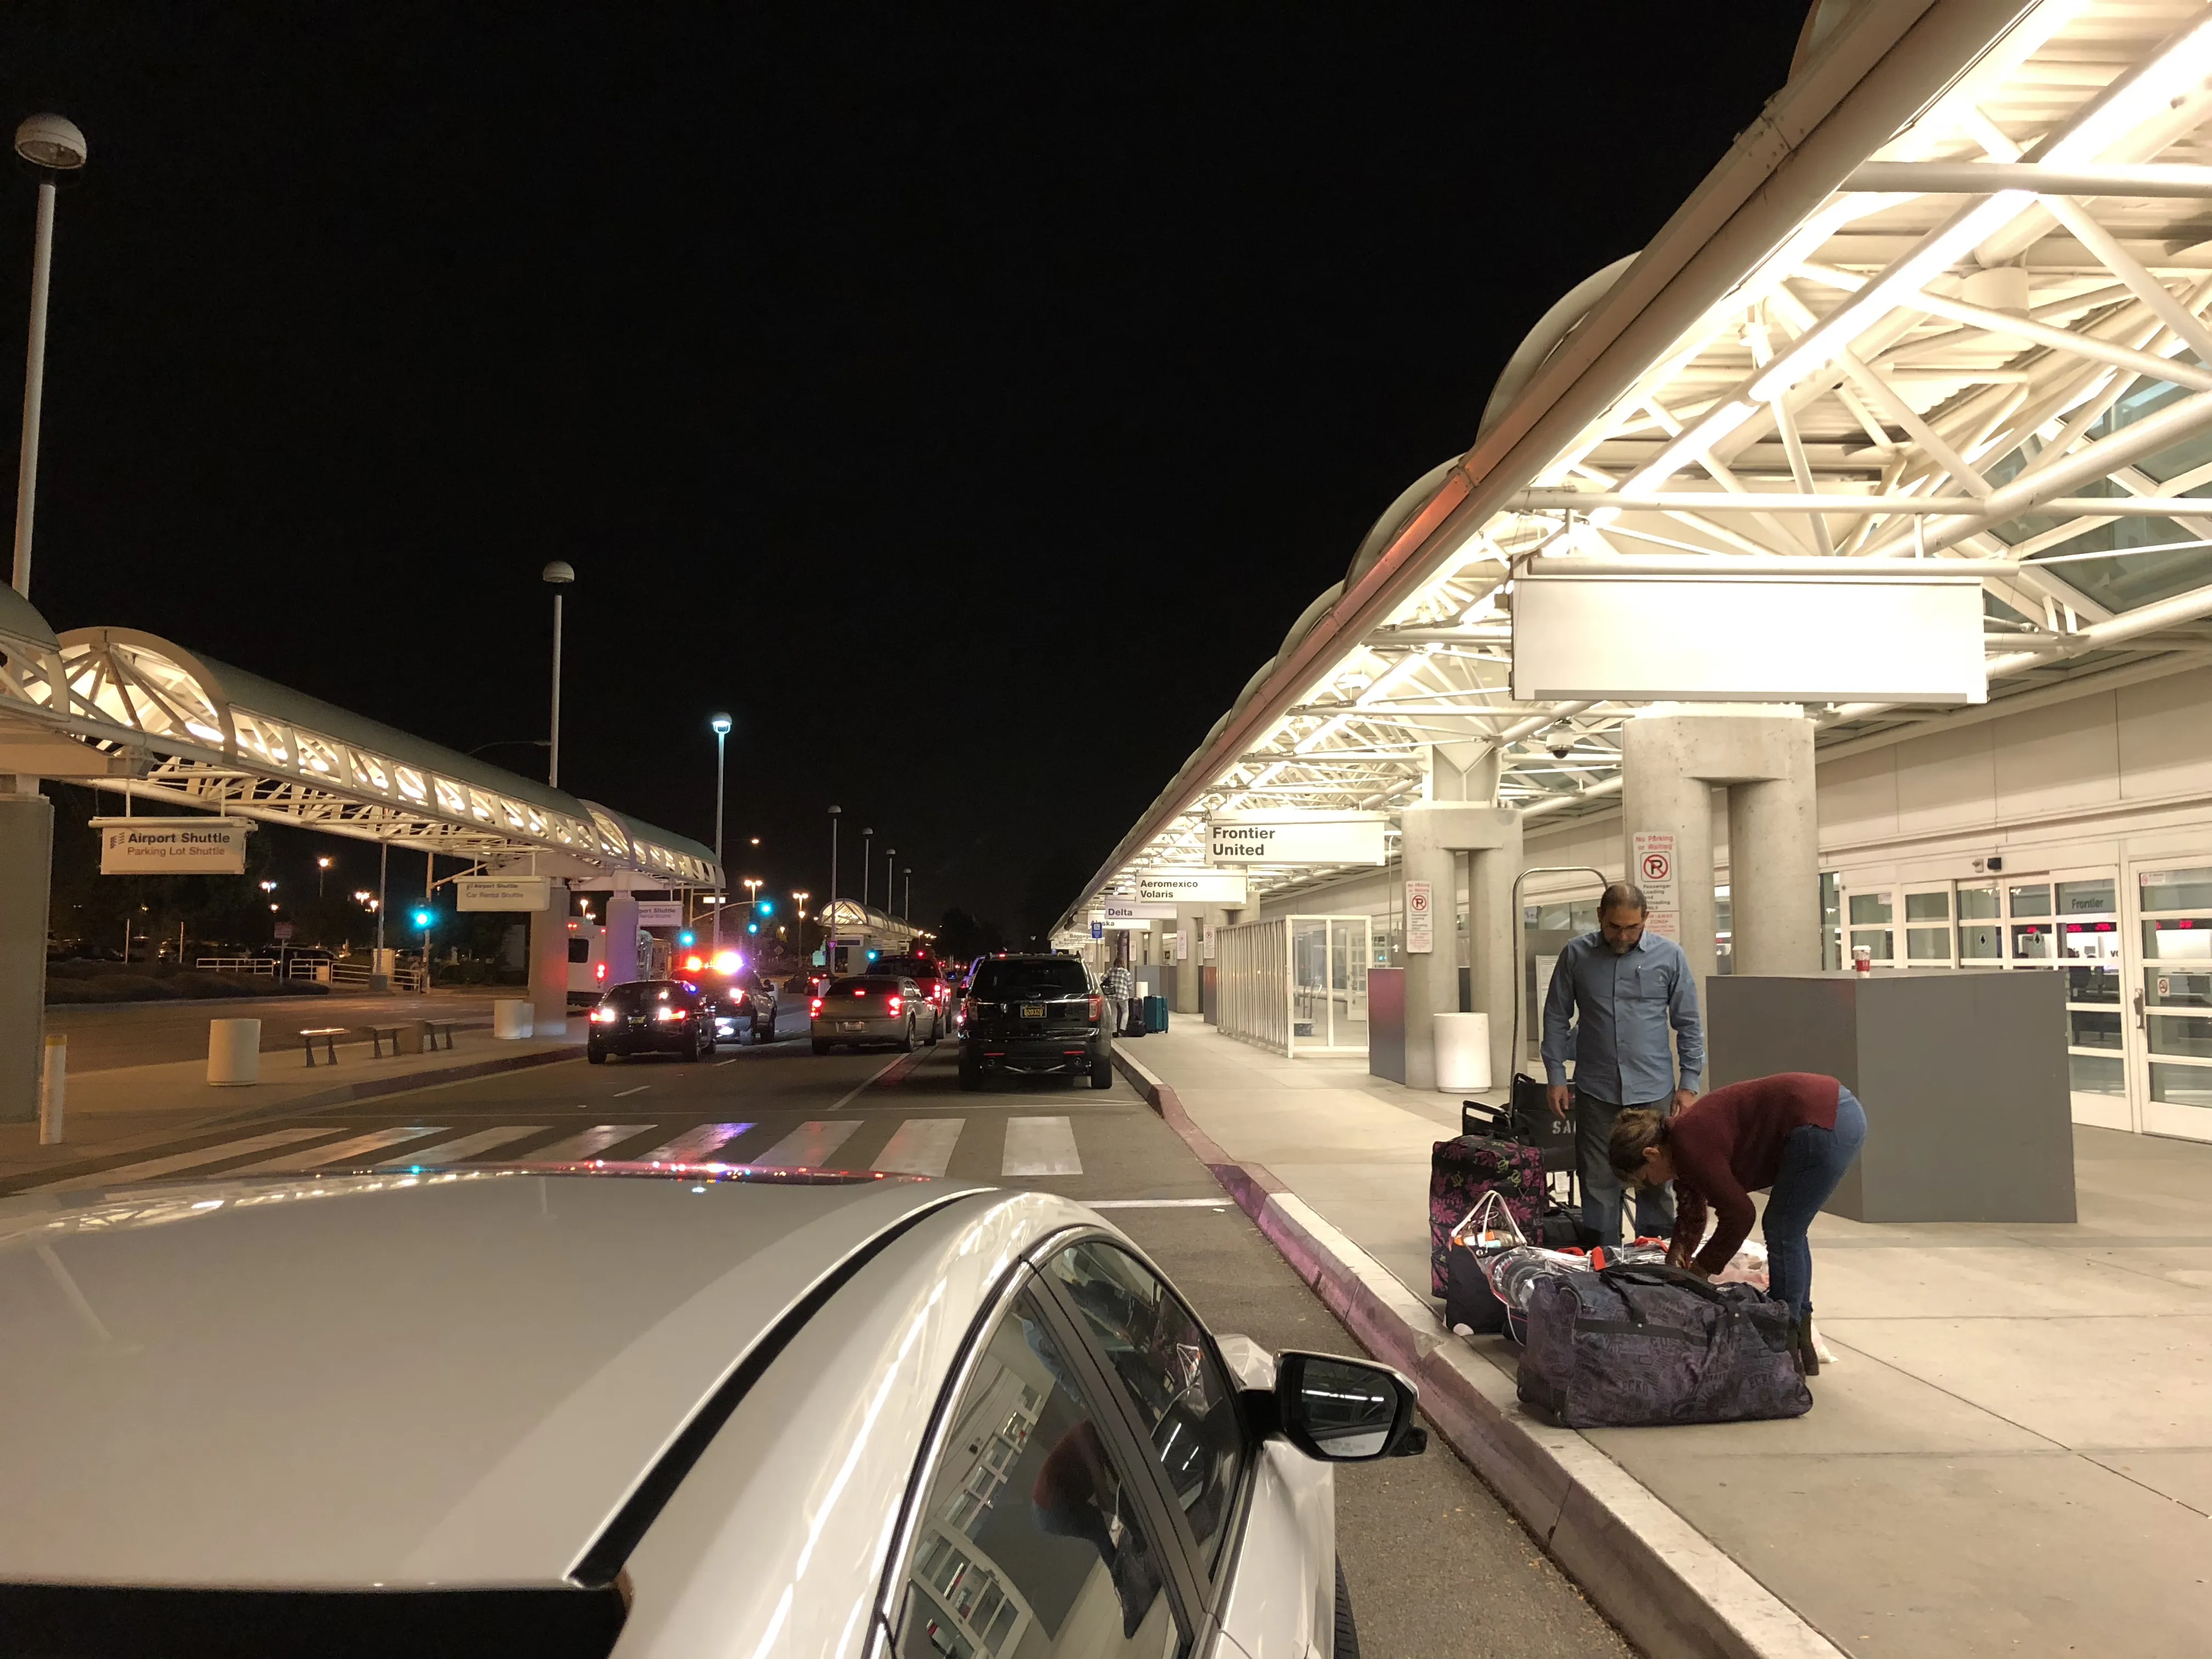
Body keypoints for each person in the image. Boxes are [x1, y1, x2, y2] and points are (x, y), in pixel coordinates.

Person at [1608, 1071, 1867, 1374]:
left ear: (1651, 1154)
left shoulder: (1691, 1143)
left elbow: (1740, 1215)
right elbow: (1691, 1218)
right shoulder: (1680, 1145)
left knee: (1783, 1230)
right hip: (1833, 1111)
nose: (1651, 1186)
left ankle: (1783, 1342)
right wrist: (1676, 1271)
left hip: (1823, 1121)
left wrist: (1701, 1271)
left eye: (1644, 1180)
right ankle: (1801, 1344)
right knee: (1790, 1230)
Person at [1541, 882, 1703, 1247]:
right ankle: (1603, 1263)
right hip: (1596, 1090)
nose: (1624, 935)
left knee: (1655, 1180)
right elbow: (1556, 1017)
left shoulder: (1670, 956)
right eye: (1615, 927)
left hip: (1653, 1090)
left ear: (1646, 918)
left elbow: (1688, 1023)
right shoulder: (1576, 955)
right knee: (1597, 1181)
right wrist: (1555, 1076)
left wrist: (1689, 1083)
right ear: (1600, 917)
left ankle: (1654, 1261)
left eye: (1633, 927)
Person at [1102, 957, 1133, 1037]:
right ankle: (1123, 1029)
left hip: (1112, 994)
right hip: (1123, 995)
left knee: (1114, 1012)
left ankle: (1114, 1031)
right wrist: (1130, 991)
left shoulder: (1111, 970)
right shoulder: (1126, 973)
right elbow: (1130, 985)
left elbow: (1102, 978)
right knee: (1125, 1011)